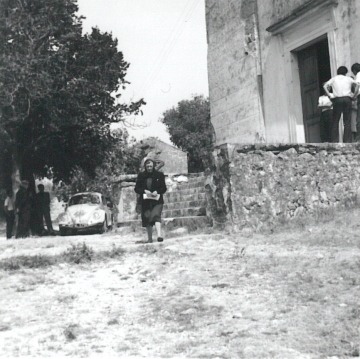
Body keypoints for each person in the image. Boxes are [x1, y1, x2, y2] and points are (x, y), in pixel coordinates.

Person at [135, 158, 167, 243]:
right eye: (147, 166)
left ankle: (159, 236)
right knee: (147, 218)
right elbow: (137, 188)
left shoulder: (159, 175)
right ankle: (150, 239)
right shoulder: (141, 175)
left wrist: (157, 191)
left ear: (153, 166)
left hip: (157, 200)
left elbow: (163, 188)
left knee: (156, 216)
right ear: (145, 166)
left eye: (151, 166)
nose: (149, 168)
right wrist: (144, 191)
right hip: (145, 201)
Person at [323, 66, 359, 143]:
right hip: (347, 99)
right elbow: (357, 85)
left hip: (337, 100)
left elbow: (325, 86)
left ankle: (335, 140)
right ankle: (347, 140)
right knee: (347, 121)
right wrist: (354, 94)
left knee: (335, 120)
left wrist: (329, 94)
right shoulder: (348, 79)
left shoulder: (334, 79)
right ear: (345, 72)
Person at [351, 63, 360, 141]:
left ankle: (358, 138)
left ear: (354, 70)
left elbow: (357, 86)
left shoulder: (358, 75)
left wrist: (354, 96)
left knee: (359, 118)